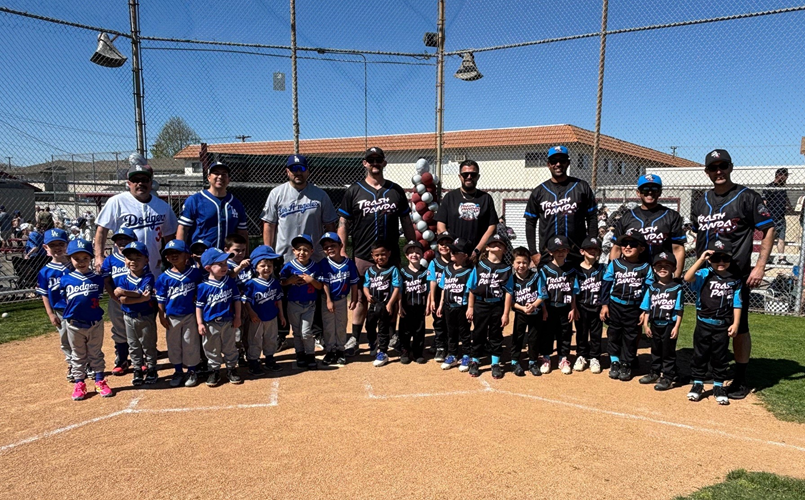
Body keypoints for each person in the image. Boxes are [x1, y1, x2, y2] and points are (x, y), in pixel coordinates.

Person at [690, 149, 774, 399]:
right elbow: (698, 231)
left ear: (730, 167)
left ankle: (739, 378)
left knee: (739, 327)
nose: (718, 171)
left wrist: (759, 266)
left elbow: (768, 229)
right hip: (707, 276)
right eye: (713, 168)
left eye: (723, 166)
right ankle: (705, 370)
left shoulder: (747, 197)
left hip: (735, 276)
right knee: (705, 323)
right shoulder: (701, 201)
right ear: (706, 172)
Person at [337, 147, 416, 354]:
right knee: (363, 297)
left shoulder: (395, 190)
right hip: (363, 254)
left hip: (390, 255)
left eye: (378, 160)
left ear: (384, 163)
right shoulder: (354, 190)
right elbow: (343, 222)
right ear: (364, 163)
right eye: (370, 160)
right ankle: (355, 337)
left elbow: (406, 220)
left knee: (392, 294)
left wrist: (412, 245)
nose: (374, 164)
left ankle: (391, 336)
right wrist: (343, 250)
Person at [684, 239, 743, 405]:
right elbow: (687, 277)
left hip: (723, 324)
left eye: (725, 259)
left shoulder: (734, 279)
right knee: (700, 354)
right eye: (717, 259)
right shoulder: (704, 274)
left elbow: (737, 302)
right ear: (710, 259)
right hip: (703, 322)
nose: (721, 262)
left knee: (720, 356)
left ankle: (718, 385)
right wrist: (702, 259)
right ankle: (697, 383)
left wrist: (736, 323)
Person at [94, 163, 178, 277]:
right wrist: (99, 256)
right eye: (135, 180)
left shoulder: (162, 206)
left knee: (152, 291)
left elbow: (169, 235)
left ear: (150, 182)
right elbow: (102, 230)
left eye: (144, 179)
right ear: (129, 183)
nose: (140, 183)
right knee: (124, 292)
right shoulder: (117, 201)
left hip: (153, 261)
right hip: (125, 264)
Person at [524, 146, 597, 267]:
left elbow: (592, 217)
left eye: (562, 160)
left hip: (577, 252)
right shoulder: (539, 191)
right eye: (554, 161)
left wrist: (591, 246)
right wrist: (533, 253)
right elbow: (530, 222)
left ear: (568, 163)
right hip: (548, 254)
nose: (558, 164)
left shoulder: (581, 187)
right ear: (548, 164)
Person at [60, 239, 112, 400]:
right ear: (70, 259)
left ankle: (99, 380)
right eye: (77, 258)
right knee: (78, 355)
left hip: (95, 323)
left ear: (90, 259)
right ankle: (79, 383)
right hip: (74, 324)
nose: (81, 262)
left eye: (85, 258)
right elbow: (62, 300)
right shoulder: (66, 279)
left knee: (95, 353)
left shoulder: (97, 278)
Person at [600, 231, 654, 382]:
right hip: (615, 304)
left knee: (630, 337)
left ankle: (626, 363)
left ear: (642, 248)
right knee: (614, 333)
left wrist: (644, 310)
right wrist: (605, 305)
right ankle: (615, 361)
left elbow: (649, 291)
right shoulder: (615, 264)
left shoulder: (645, 267)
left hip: (634, 308)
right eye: (624, 244)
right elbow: (606, 285)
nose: (628, 247)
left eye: (633, 244)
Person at [609, 174, 686, 277]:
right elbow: (617, 248)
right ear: (638, 193)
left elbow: (677, 249)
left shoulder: (671, 216)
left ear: (660, 192)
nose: (650, 192)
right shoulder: (627, 217)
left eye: (654, 189)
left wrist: (676, 278)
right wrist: (612, 276)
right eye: (645, 189)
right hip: (632, 275)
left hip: (661, 274)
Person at [155, 239, 204, 388]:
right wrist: (161, 315)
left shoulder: (195, 274)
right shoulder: (164, 277)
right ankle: (177, 370)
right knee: (174, 344)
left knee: (190, 343)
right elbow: (161, 298)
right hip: (172, 316)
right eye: (170, 253)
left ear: (187, 255)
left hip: (190, 315)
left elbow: (202, 291)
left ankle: (191, 370)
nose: (173, 256)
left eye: (178, 253)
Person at [467, 234, 513, 379]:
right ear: (487, 247)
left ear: (505, 249)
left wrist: (506, 313)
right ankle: (475, 361)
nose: (496, 246)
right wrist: (470, 307)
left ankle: (495, 363)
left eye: (500, 244)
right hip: (480, 304)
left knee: (496, 334)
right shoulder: (479, 265)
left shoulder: (506, 269)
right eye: (493, 244)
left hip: (497, 305)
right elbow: (472, 288)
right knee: (478, 333)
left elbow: (508, 292)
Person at [196, 247, 243, 387]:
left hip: (228, 321)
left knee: (230, 346)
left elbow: (237, 300)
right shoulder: (203, 287)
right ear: (208, 267)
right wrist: (200, 323)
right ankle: (214, 370)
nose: (224, 267)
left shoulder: (229, 282)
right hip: (210, 323)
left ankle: (231, 369)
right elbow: (199, 306)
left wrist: (238, 317)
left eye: (225, 263)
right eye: (220, 264)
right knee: (212, 348)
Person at [176, 162, 248, 250]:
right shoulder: (195, 200)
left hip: (228, 258)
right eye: (216, 173)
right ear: (209, 177)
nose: (220, 177)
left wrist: (245, 256)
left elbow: (242, 232)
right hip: (201, 256)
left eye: (224, 174)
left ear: (229, 179)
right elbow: (183, 228)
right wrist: (181, 252)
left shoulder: (236, 204)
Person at [435, 159, 499, 259]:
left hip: (477, 255)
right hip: (453, 255)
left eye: (472, 174)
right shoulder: (450, 197)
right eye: (465, 174)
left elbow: (492, 227)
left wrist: (477, 250)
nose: (469, 177)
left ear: (478, 177)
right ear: (460, 177)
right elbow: (440, 225)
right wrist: (452, 249)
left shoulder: (486, 198)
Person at [639, 251, 684, 391]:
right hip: (654, 324)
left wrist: (676, 327)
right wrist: (646, 325)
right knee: (655, 350)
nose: (663, 269)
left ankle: (668, 376)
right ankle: (655, 372)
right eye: (659, 266)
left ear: (673, 269)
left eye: (667, 266)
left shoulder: (677, 288)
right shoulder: (652, 288)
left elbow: (679, 310)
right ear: (654, 269)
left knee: (668, 352)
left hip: (669, 324)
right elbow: (647, 308)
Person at [114, 242, 158, 386]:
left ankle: (151, 368)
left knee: (148, 344)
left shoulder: (148, 277)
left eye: (138, 258)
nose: (133, 262)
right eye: (130, 258)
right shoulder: (123, 279)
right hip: (128, 317)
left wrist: (125, 293)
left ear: (146, 260)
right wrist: (138, 298)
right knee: (133, 345)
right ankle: (137, 369)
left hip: (145, 316)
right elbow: (123, 301)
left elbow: (139, 293)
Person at [279, 234, 323, 370]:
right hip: (293, 303)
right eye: (298, 249)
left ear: (311, 251)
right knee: (297, 332)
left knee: (306, 332)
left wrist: (311, 281)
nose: (301, 253)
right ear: (293, 251)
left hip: (309, 304)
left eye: (305, 250)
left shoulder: (315, 267)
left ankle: (310, 354)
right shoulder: (288, 266)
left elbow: (320, 286)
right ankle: (300, 354)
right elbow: (281, 283)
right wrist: (289, 281)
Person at [241, 245, 286, 376]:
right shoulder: (251, 283)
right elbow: (246, 301)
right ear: (256, 267)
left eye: (269, 266)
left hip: (271, 316)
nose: (266, 268)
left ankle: (270, 359)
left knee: (271, 338)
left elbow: (279, 300)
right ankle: (253, 362)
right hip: (257, 318)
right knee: (255, 340)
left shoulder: (275, 282)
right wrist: (251, 312)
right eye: (263, 266)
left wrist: (281, 316)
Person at [537, 236, 580, 375]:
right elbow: (542, 291)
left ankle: (563, 358)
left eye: (563, 250)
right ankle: (546, 357)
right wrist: (543, 310)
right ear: (550, 252)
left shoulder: (572, 270)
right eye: (556, 250)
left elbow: (573, 291)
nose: (560, 253)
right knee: (547, 333)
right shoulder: (545, 270)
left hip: (565, 307)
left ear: (567, 251)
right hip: (549, 307)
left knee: (565, 333)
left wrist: (573, 308)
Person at [317, 233, 359, 366]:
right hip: (327, 300)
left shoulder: (348, 264)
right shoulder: (323, 263)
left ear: (341, 246)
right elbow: (325, 284)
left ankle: (341, 350)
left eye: (333, 245)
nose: (329, 249)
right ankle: (330, 350)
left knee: (341, 325)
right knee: (329, 326)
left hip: (341, 300)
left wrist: (354, 298)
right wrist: (328, 300)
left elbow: (354, 282)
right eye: (326, 247)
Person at [36, 228, 72, 382]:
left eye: (61, 244)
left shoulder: (76, 266)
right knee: (65, 339)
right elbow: (44, 294)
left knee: (83, 338)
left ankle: (86, 363)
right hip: (59, 310)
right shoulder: (45, 271)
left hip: (78, 310)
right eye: (53, 245)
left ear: (67, 245)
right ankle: (72, 364)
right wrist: (50, 314)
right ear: (46, 248)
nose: (57, 247)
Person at [101, 227, 138, 376]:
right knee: (119, 330)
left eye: (126, 239)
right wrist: (114, 297)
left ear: (133, 241)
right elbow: (107, 281)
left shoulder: (138, 257)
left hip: (136, 300)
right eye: (119, 239)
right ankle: (122, 358)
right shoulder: (110, 260)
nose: (122, 241)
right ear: (115, 242)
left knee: (138, 329)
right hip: (116, 301)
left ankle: (140, 360)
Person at [436, 237, 475, 371]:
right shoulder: (447, 269)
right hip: (448, 306)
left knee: (464, 332)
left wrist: (470, 308)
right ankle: (452, 354)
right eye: (451, 250)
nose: (452, 253)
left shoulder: (470, 271)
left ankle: (466, 355)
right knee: (450, 331)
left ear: (464, 255)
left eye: (456, 252)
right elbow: (444, 288)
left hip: (462, 307)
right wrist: (441, 305)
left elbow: (471, 291)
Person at [363, 242, 402, 368]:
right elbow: (365, 286)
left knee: (383, 329)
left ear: (389, 254)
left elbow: (396, 288)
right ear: (372, 256)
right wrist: (367, 295)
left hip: (385, 305)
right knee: (369, 325)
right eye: (377, 255)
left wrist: (390, 303)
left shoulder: (393, 270)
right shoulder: (370, 270)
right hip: (373, 305)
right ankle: (373, 343)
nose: (380, 257)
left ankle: (383, 352)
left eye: (383, 254)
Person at [510, 246, 545, 377]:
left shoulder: (536, 277)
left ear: (529, 262)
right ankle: (514, 361)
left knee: (534, 337)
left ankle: (533, 362)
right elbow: (510, 300)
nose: (521, 265)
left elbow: (542, 294)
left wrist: (534, 305)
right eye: (518, 262)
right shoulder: (511, 279)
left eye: (524, 262)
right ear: (513, 263)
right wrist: (522, 307)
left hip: (535, 313)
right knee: (517, 336)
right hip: (521, 312)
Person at [575, 236, 605, 374]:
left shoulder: (602, 269)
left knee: (596, 334)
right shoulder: (576, 270)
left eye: (595, 249)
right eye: (589, 249)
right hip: (581, 307)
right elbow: (573, 292)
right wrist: (574, 308)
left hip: (597, 307)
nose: (592, 251)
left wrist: (605, 306)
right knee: (581, 333)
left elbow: (606, 289)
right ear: (582, 251)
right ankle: (581, 356)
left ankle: (594, 357)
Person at [398, 241, 429, 365]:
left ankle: (417, 353)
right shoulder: (402, 272)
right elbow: (399, 290)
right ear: (406, 255)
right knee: (404, 331)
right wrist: (399, 305)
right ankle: (405, 351)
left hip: (420, 306)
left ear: (422, 254)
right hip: (406, 306)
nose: (414, 255)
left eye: (417, 252)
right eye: (410, 253)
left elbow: (429, 291)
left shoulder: (425, 272)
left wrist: (428, 305)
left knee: (419, 331)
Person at [426, 231, 453, 362]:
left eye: (447, 244)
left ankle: (450, 346)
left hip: (452, 297)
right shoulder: (434, 263)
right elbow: (432, 281)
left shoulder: (455, 263)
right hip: (437, 297)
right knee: (438, 322)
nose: (444, 247)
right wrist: (431, 300)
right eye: (441, 244)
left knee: (450, 323)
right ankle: (440, 346)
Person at [762, 167, 792, 265]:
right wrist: (766, 216)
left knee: (781, 238)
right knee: (769, 239)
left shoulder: (783, 188)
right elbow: (764, 202)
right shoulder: (769, 187)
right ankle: (768, 258)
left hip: (781, 217)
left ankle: (781, 258)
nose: (786, 178)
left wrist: (790, 207)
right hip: (771, 217)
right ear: (779, 175)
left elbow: (786, 199)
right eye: (785, 176)